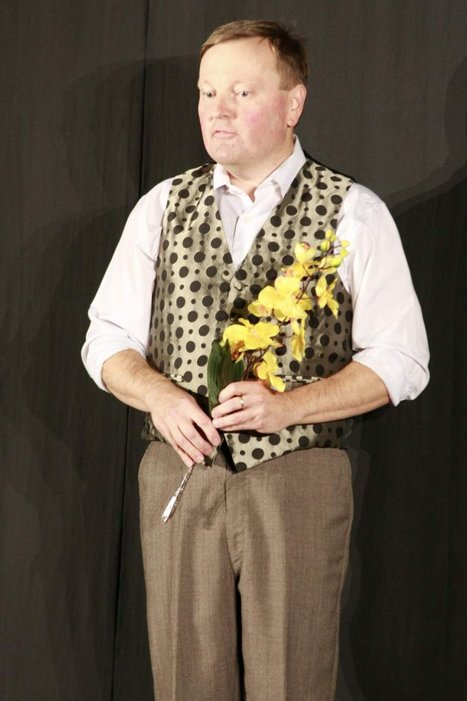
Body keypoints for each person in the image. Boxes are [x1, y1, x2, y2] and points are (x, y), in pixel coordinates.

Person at [82, 19, 429, 701]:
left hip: (296, 474)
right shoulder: (162, 207)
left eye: (241, 92)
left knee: (290, 680)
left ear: (293, 103)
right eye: (207, 92)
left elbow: (401, 358)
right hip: (180, 473)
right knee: (184, 680)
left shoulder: (353, 212)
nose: (218, 109)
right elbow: (106, 338)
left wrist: (289, 407)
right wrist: (159, 396)